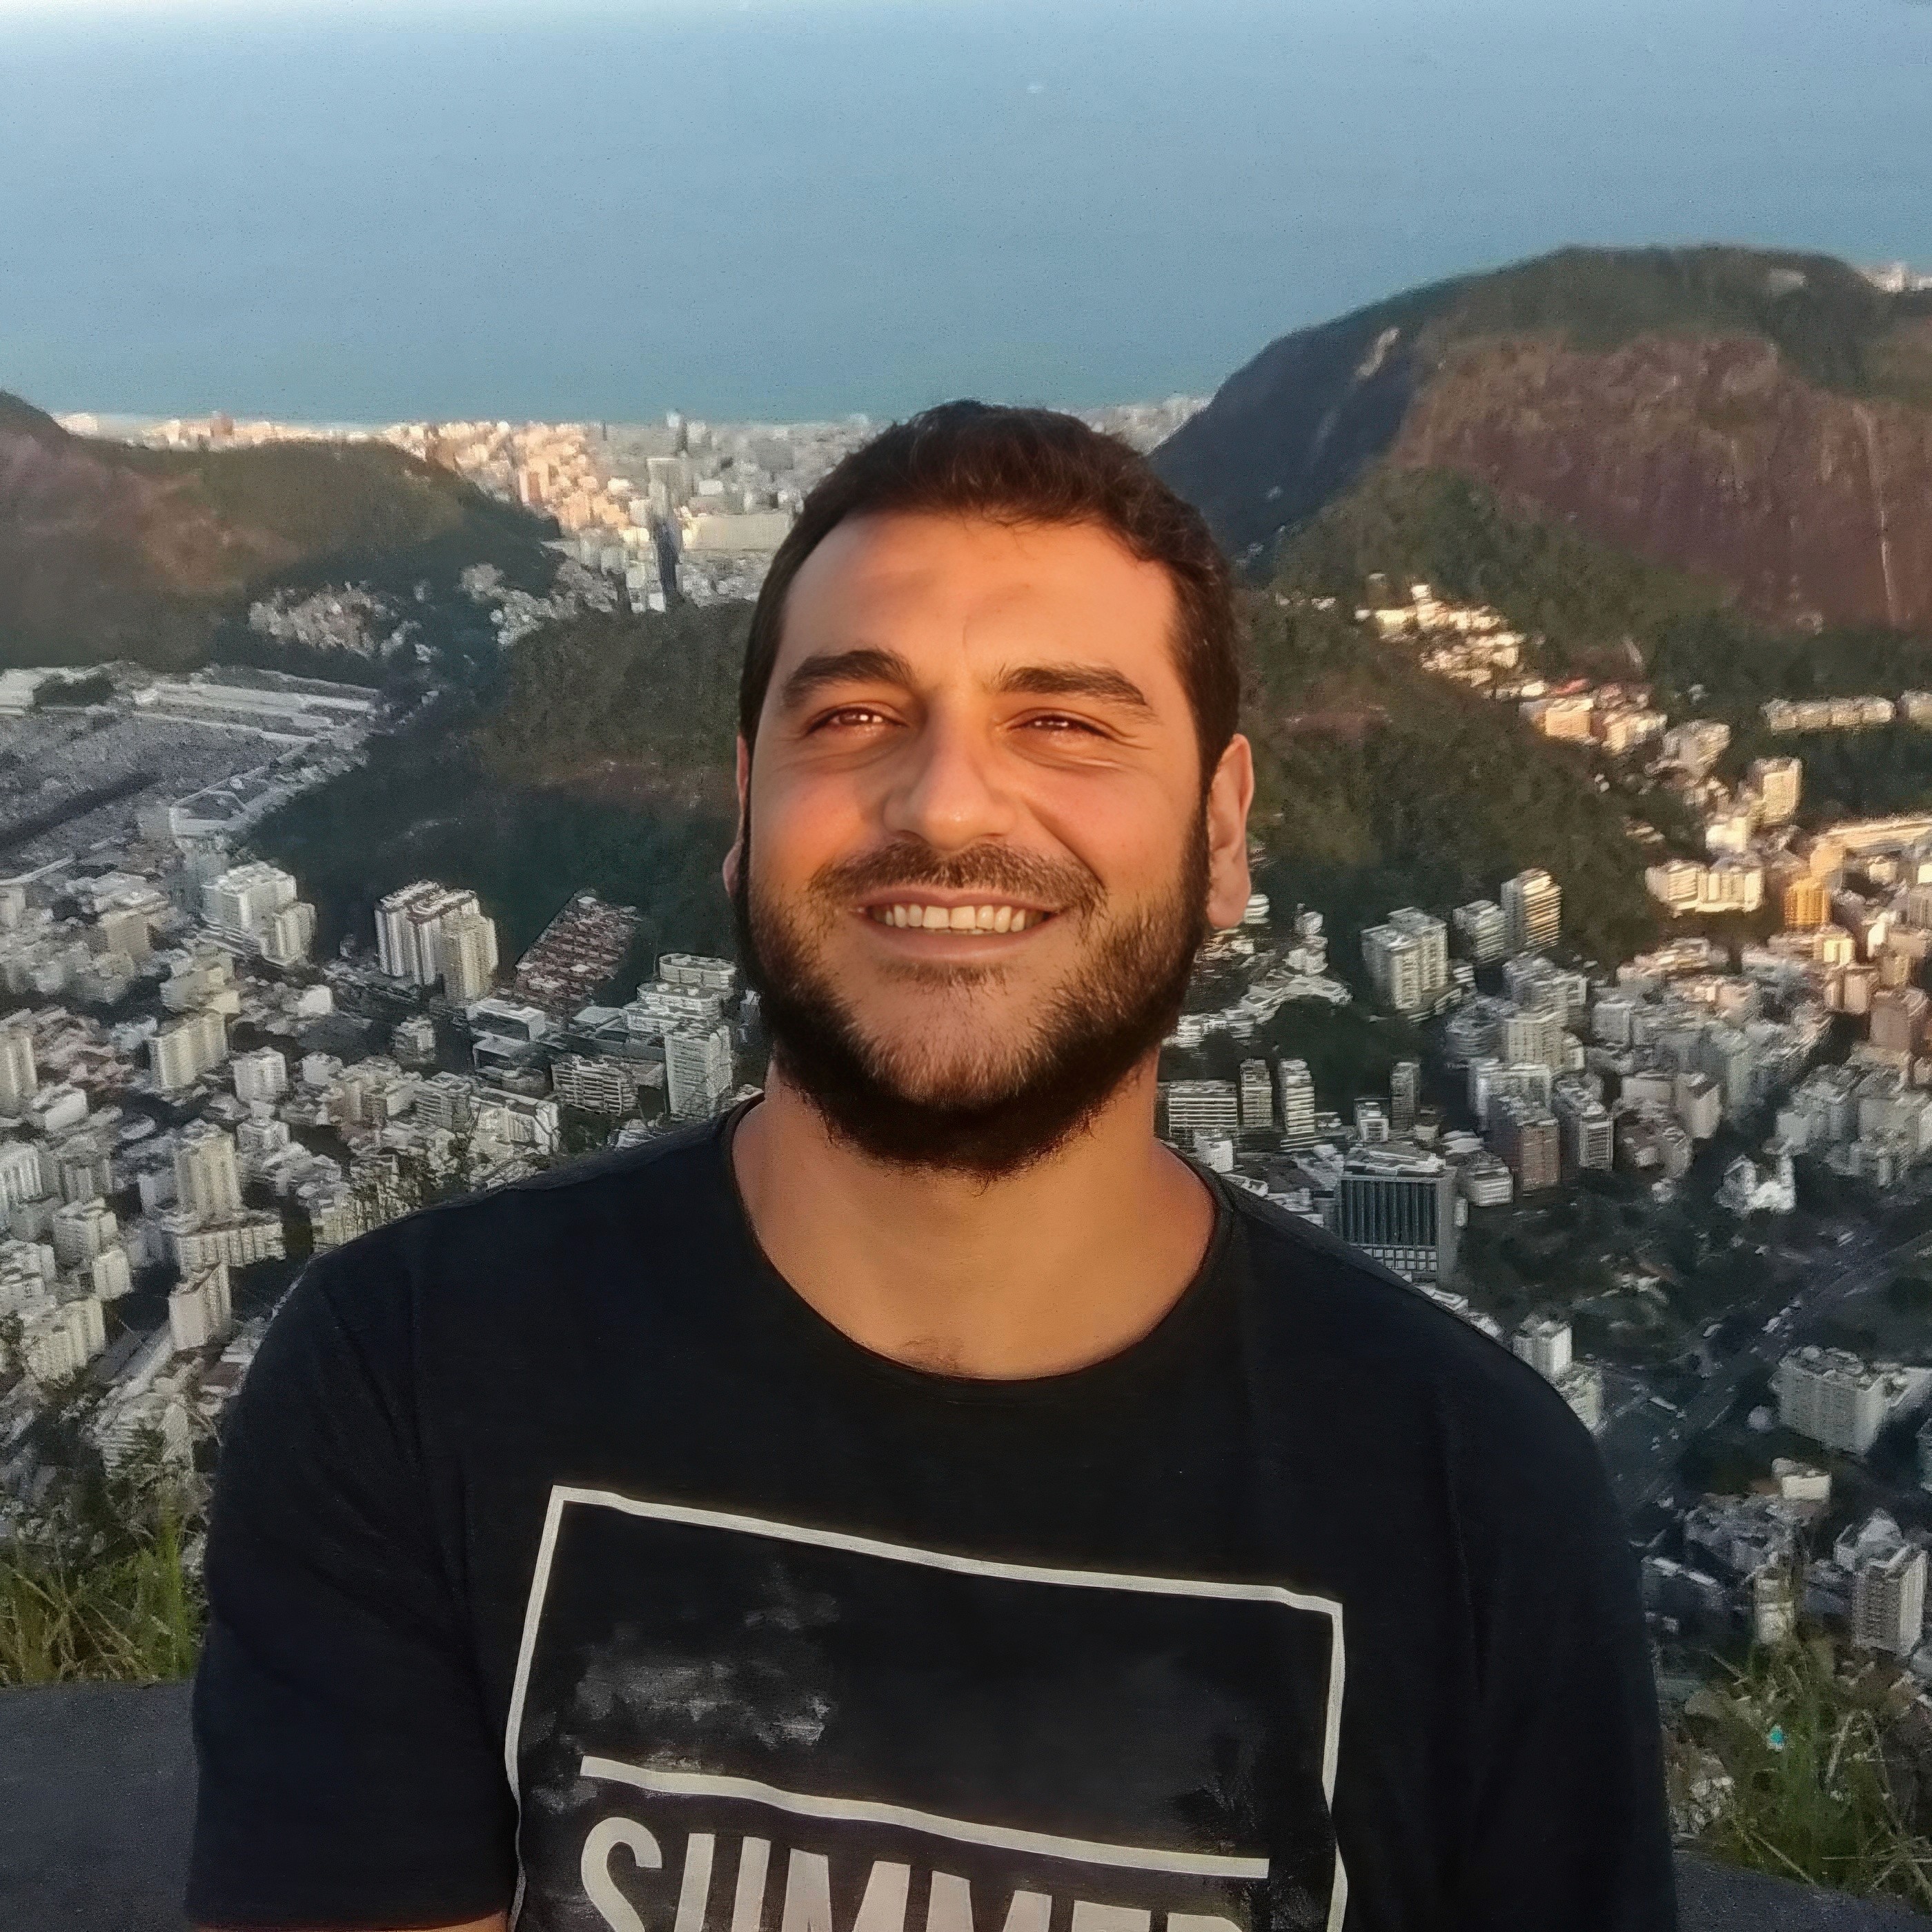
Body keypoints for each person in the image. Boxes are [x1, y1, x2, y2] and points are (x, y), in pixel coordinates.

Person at [188, 403, 1676, 1932]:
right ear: (741, 806)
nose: (946, 801)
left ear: (1221, 834)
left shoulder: (1470, 1499)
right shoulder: (414, 1376)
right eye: (849, 718)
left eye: (1066, 721)